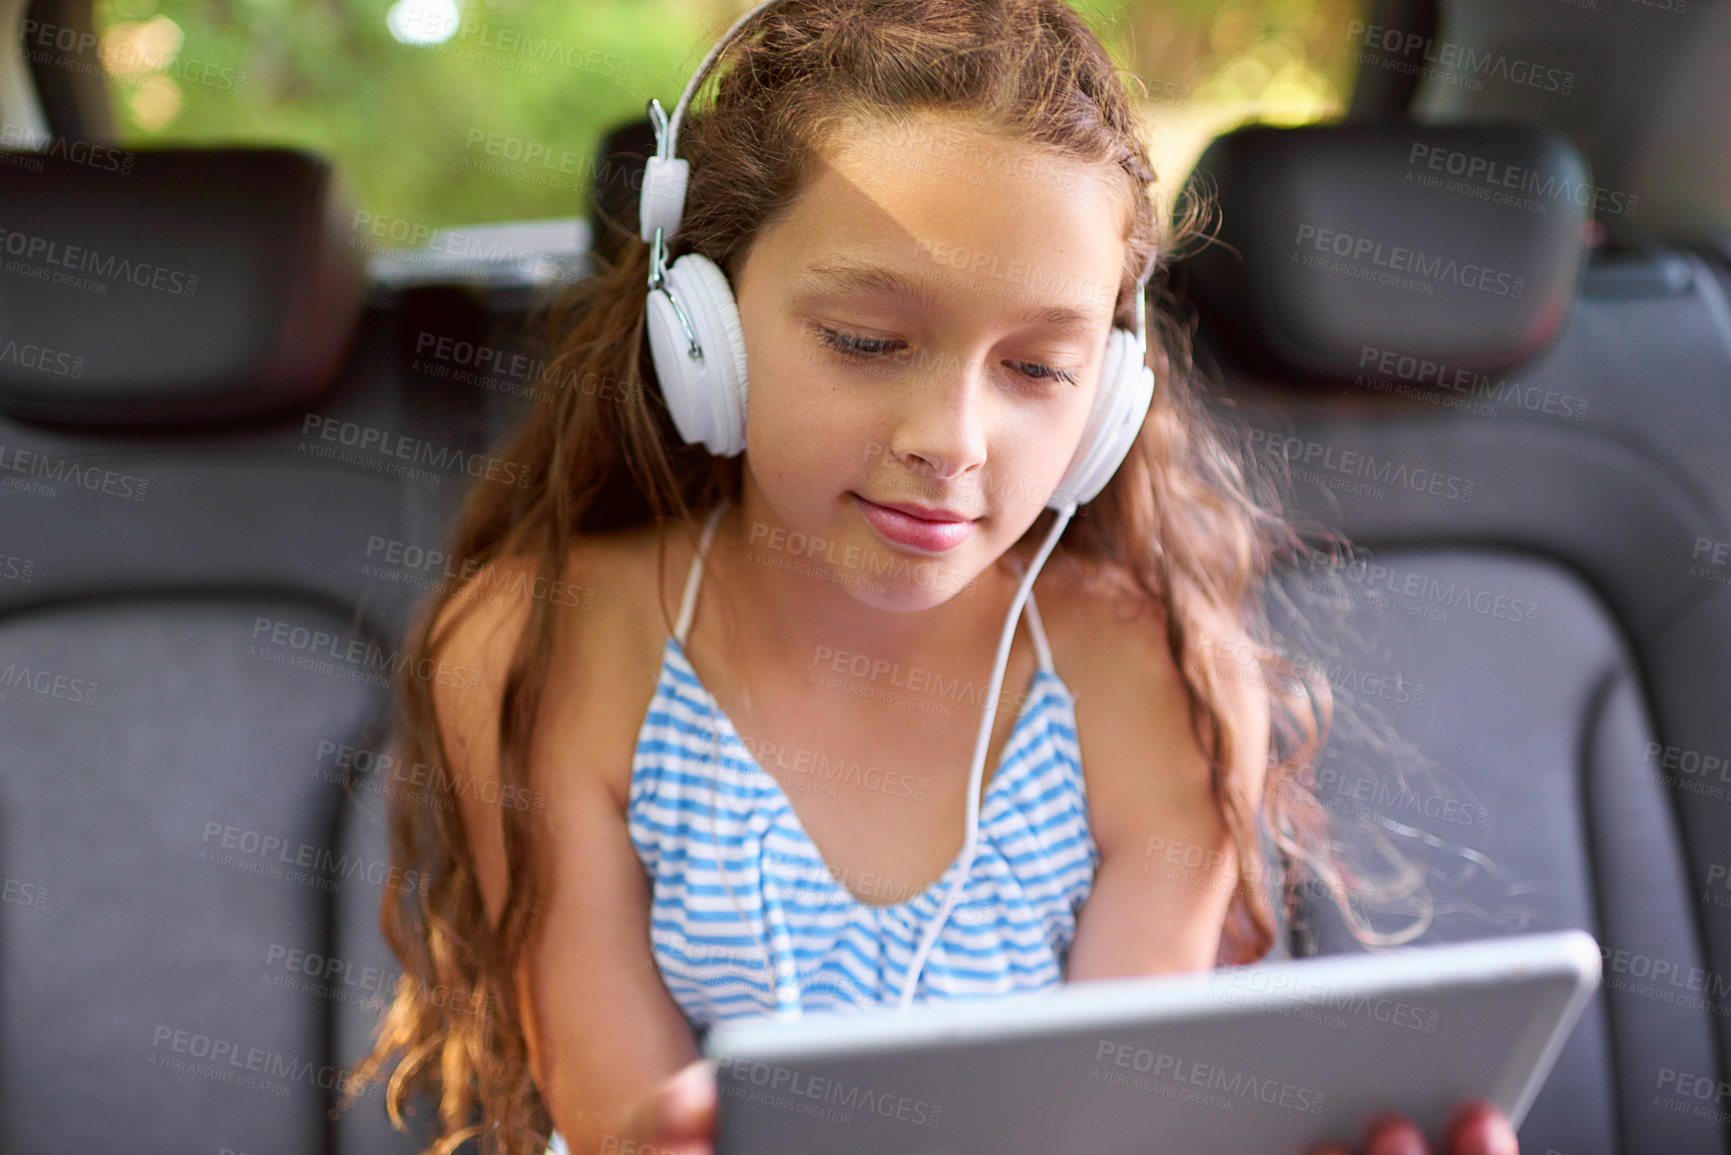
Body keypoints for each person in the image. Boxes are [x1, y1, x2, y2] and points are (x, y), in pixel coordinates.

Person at [346, 2, 1520, 1154]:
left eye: (1039, 368)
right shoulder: (539, 644)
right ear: (697, 327)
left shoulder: (1148, 679)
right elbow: (618, 1119)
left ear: (1110, 403)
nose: (953, 439)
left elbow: (1118, 1124)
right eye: (866, 341)